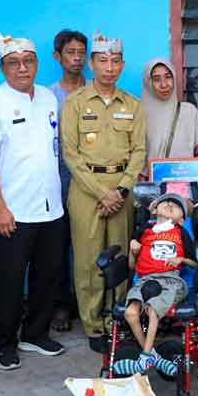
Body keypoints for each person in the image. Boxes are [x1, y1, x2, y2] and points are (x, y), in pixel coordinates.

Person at [0, 34, 67, 372]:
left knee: (47, 274)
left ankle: (35, 334)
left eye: (28, 61)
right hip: (13, 210)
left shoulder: (47, 99)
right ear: (3, 68)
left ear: (37, 64)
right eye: (14, 62)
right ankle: (6, 343)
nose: (22, 68)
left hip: (51, 206)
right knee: (10, 280)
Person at [61, 33, 147, 352]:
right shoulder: (75, 103)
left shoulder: (133, 106)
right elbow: (70, 154)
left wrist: (122, 189)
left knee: (121, 257)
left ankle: (117, 319)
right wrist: (101, 193)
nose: (109, 68)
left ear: (122, 65)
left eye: (115, 61)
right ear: (92, 63)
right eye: (102, 61)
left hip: (122, 192)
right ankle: (94, 324)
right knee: (88, 260)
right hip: (87, 192)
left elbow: (139, 151)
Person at [122, 193, 198, 377]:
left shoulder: (181, 232)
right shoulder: (144, 231)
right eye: (165, 202)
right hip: (144, 279)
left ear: (182, 219)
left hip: (171, 280)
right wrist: (132, 252)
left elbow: (194, 263)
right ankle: (154, 356)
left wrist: (181, 259)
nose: (169, 205)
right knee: (130, 312)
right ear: (153, 210)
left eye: (175, 206)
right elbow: (131, 267)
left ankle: (145, 356)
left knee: (153, 309)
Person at [47, 29, 88, 333]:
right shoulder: (49, 97)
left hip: (91, 184)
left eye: (81, 53)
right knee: (59, 247)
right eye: (71, 53)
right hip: (59, 181)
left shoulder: (95, 90)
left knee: (89, 247)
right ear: (57, 57)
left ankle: (89, 304)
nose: (77, 59)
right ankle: (61, 305)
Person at [140, 57, 198, 168]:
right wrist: (144, 183)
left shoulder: (189, 112)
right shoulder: (138, 114)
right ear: (148, 83)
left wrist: (196, 181)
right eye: (156, 79)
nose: (164, 84)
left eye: (168, 77)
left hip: (185, 181)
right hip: (149, 182)